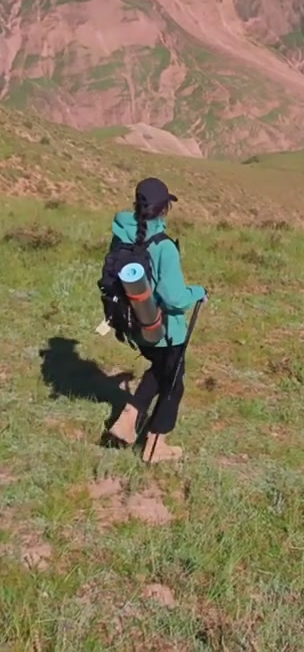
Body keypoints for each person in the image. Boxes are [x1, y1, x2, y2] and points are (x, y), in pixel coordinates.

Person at [107, 177, 206, 463]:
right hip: (163, 330)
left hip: (134, 324)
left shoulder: (121, 234)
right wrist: (199, 292)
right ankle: (155, 446)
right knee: (174, 384)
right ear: (164, 209)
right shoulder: (164, 247)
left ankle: (128, 418)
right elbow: (174, 298)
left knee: (159, 369)